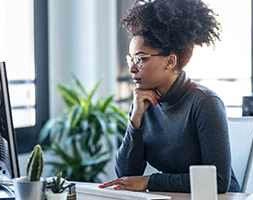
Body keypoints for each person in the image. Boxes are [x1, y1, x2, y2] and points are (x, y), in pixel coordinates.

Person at [99, 0, 240, 193]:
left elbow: (218, 181)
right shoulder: (143, 103)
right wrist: (135, 121)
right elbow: (126, 174)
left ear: (170, 61)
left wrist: (150, 181)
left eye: (140, 59)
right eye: (131, 59)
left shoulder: (204, 103)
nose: (132, 68)